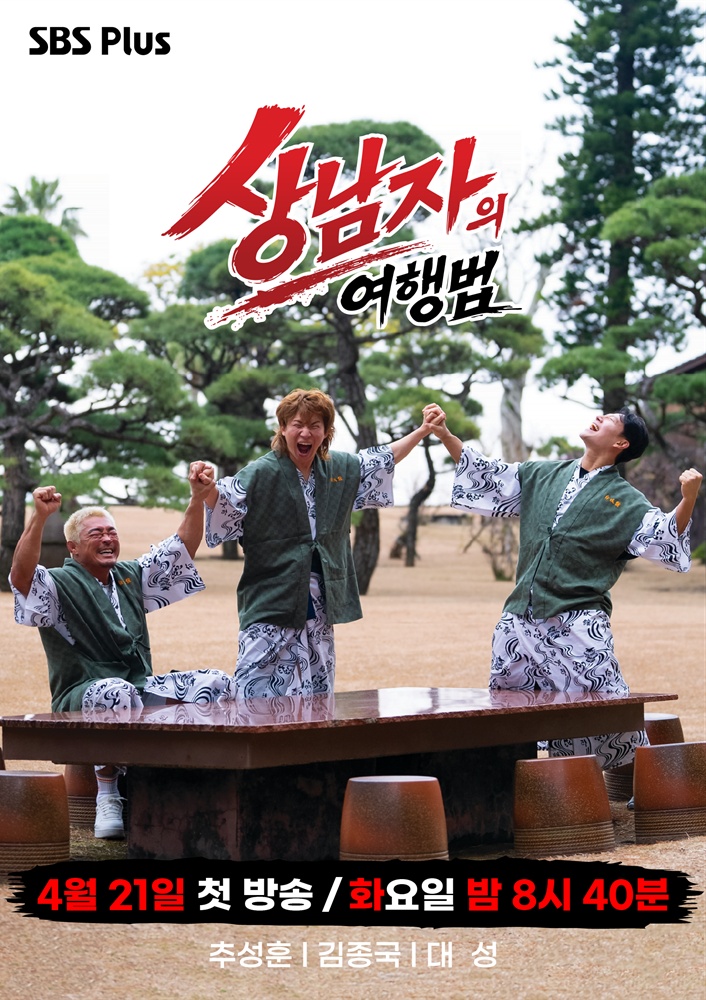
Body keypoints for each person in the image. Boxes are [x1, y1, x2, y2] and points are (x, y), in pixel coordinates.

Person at [425, 403, 702, 771]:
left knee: (606, 708)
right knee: (508, 710)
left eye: (610, 420)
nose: (599, 417)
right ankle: (517, 788)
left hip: (578, 622)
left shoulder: (626, 500)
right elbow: (488, 473)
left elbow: (664, 537)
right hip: (519, 620)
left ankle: (649, 787)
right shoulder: (543, 474)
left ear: (621, 443)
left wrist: (688, 498)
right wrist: (445, 436)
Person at [9, 464, 235, 839]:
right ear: (73, 548)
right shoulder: (58, 583)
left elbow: (181, 549)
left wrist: (197, 499)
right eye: (95, 533)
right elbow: (21, 578)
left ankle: (189, 783)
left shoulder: (130, 577)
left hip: (138, 688)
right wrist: (39, 517)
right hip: (82, 696)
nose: (107, 539)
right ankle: (109, 794)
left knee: (216, 684)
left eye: (111, 532)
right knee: (116, 691)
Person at [198, 388, 437, 699]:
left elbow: (381, 459)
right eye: (297, 424)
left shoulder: (337, 468)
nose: (306, 433)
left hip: (320, 600)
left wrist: (422, 431)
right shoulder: (261, 472)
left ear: (326, 432)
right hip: (271, 597)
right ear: (283, 428)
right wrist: (206, 489)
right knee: (255, 688)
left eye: (315, 425)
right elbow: (226, 503)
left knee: (317, 690)